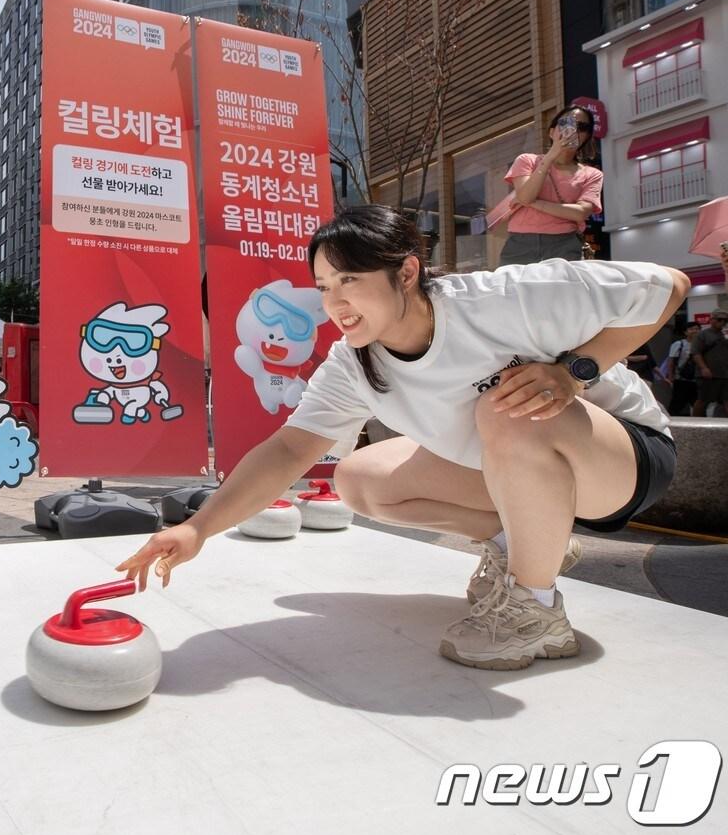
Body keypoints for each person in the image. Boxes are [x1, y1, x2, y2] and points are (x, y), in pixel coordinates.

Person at [118, 205, 687, 671]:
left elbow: (668, 287)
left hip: (623, 462)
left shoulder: (498, 299)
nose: (336, 303)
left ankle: (536, 607)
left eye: (350, 281)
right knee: (360, 479)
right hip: (517, 467)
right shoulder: (353, 362)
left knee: (504, 409)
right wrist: (198, 529)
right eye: (323, 286)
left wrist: (573, 372)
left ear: (407, 273)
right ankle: (528, 543)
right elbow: (290, 449)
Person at [498, 105, 604, 266]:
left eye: (582, 127)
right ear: (551, 131)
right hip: (520, 242)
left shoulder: (592, 174)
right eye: (567, 124)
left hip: (564, 244)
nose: (574, 131)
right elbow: (525, 196)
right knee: (515, 291)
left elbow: (580, 213)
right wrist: (549, 158)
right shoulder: (527, 160)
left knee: (561, 291)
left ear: (587, 136)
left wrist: (533, 203)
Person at [692, 309, 728, 417]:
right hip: (708, 375)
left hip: (724, 374)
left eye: (725, 320)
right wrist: (704, 368)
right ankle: (696, 424)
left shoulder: (724, 336)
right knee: (703, 400)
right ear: (711, 320)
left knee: (726, 399)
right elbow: (696, 353)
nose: (722, 322)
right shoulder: (702, 335)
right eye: (719, 319)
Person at [662, 322, 699, 415]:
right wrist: (671, 376)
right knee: (677, 402)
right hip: (681, 378)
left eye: (697, 329)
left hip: (697, 378)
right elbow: (671, 361)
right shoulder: (679, 344)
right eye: (691, 329)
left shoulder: (702, 344)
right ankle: (671, 420)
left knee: (696, 402)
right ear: (685, 332)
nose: (695, 331)